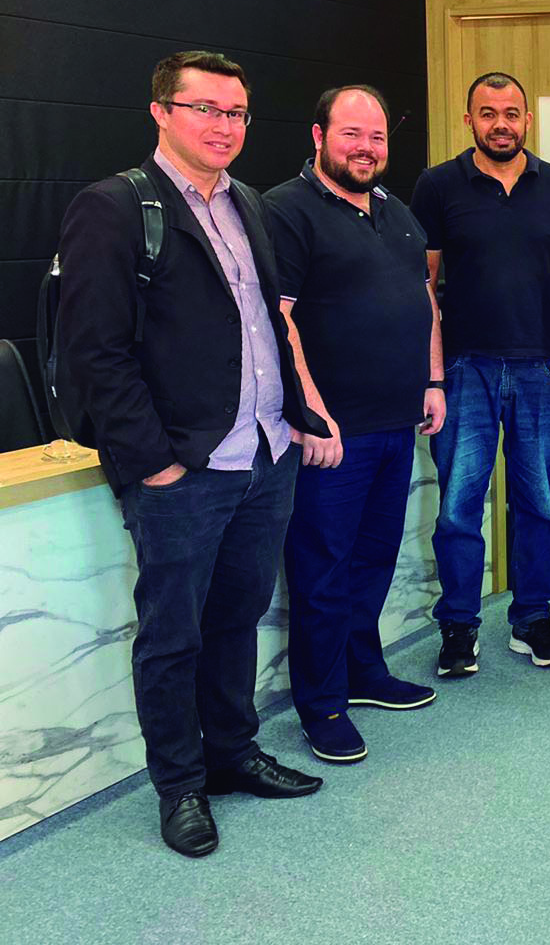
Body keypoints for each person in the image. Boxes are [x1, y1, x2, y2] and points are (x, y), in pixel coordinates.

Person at [55, 51, 326, 857]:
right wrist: (155, 464)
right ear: (161, 112)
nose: (224, 125)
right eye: (205, 108)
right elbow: (95, 354)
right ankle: (179, 786)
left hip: (263, 457)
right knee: (172, 637)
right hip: (183, 471)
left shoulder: (248, 202)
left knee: (237, 618)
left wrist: (297, 418)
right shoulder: (113, 207)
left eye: (236, 112)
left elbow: (269, 323)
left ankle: (232, 752)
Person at [266, 86, 445, 766]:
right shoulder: (287, 210)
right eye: (351, 134)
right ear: (318, 136)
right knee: (322, 569)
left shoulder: (396, 211)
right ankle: (323, 703)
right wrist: (311, 412)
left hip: (396, 422)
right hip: (332, 436)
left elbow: (423, 300)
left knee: (373, 559)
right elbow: (280, 319)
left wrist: (432, 380)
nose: (366, 148)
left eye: (377, 137)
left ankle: (364, 672)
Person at [409, 72, 550, 679]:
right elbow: (423, 284)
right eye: (488, 113)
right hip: (466, 369)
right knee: (460, 507)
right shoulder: (437, 185)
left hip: (542, 366)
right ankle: (459, 626)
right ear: (470, 120)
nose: (501, 124)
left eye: (511, 113)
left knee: (540, 505)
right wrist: (434, 372)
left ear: (527, 120)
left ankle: (532, 619)